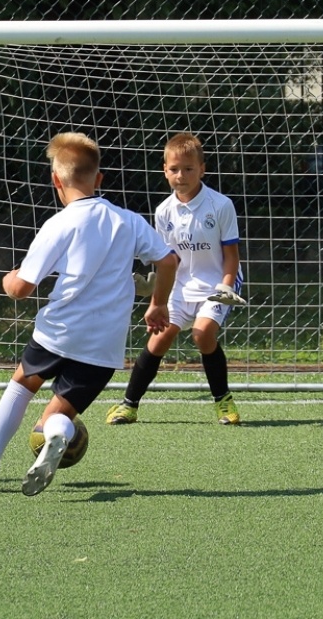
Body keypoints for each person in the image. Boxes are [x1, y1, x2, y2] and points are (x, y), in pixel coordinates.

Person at [0, 132, 180, 496]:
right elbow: (169, 260)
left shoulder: (59, 224)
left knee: (21, 386)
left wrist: (7, 279)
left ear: (56, 180)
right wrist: (158, 303)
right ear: (99, 178)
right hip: (104, 345)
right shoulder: (127, 221)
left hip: (59, 331)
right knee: (57, 416)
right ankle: (57, 434)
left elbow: (21, 289)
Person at [105, 132, 246, 428]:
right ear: (165, 171)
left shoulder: (221, 205)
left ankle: (224, 401)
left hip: (218, 282)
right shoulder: (163, 211)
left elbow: (231, 256)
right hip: (181, 286)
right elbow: (169, 261)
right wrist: (156, 293)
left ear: (202, 169)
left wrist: (226, 286)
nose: (181, 175)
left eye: (189, 169)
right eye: (174, 169)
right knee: (160, 337)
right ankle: (128, 405)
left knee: (202, 334)